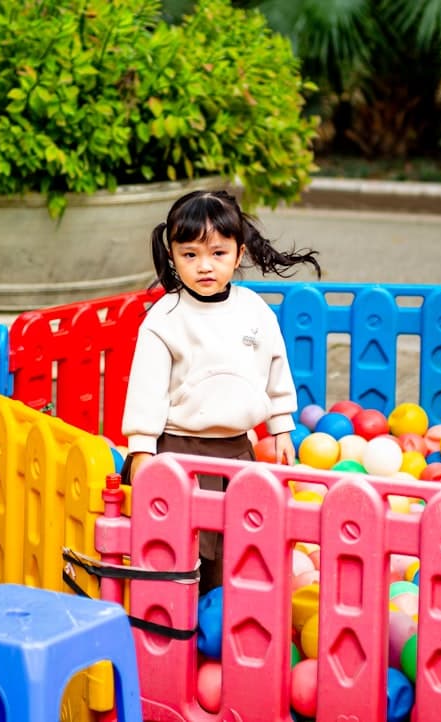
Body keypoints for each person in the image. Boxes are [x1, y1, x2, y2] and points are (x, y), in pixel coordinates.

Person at [121, 189, 320, 593]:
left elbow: (275, 370)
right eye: (190, 254)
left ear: (238, 252)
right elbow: (146, 389)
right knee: (180, 545)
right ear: (173, 256)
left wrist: (281, 427)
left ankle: (218, 615)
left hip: (236, 450)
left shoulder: (253, 311)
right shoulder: (166, 317)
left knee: (232, 544)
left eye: (217, 253)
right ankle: (175, 619)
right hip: (178, 449)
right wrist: (141, 450)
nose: (204, 266)